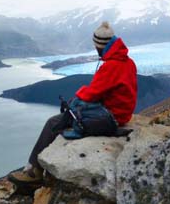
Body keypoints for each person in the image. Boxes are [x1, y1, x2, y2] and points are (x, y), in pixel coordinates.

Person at [9, 21, 137, 185]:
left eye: (96, 46)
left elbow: (92, 93)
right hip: (121, 113)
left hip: (111, 116)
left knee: (54, 122)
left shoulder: (111, 66)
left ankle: (34, 172)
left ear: (100, 45)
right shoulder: (127, 62)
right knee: (67, 117)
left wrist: (77, 96)